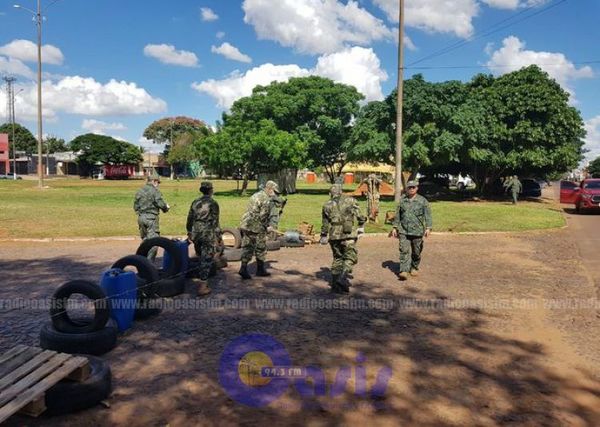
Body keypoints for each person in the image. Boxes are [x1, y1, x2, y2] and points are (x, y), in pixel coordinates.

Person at [320, 184, 367, 293]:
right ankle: (342, 277)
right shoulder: (351, 201)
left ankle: (336, 286)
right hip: (348, 234)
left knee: (337, 258)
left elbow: (325, 223)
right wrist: (361, 224)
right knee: (351, 257)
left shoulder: (326, 205)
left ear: (330, 193)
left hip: (334, 235)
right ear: (341, 192)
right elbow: (360, 216)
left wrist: (323, 235)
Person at [391, 180, 432, 281]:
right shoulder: (402, 200)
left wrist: (428, 228)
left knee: (416, 252)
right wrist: (395, 227)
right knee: (404, 250)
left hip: (417, 231)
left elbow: (428, 215)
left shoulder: (423, 201)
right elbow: (398, 215)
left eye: (413, 187)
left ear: (417, 188)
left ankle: (414, 267)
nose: (411, 189)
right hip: (404, 230)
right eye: (410, 187)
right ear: (406, 189)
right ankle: (404, 270)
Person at [238, 180, 280, 279]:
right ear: (269, 189)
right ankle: (260, 270)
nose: (275, 194)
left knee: (247, 246)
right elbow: (263, 216)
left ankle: (243, 268)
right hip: (256, 226)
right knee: (261, 247)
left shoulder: (256, 195)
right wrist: (267, 227)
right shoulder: (266, 199)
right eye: (274, 191)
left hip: (246, 224)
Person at [186, 181, 220, 296]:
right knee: (207, 258)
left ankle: (200, 276)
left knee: (200, 255)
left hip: (196, 232)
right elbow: (215, 222)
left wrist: (189, 231)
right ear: (211, 190)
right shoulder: (213, 203)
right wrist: (218, 237)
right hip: (207, 232)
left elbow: (190, 218)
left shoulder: (195, 202)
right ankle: (202, 286)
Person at [133, 172, 169, 261]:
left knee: (145, 241)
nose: (158, 184)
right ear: (154, 181)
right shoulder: (155, 191)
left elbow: (135, 206)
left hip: (141, 218)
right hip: (151, 219)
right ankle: (149, 264)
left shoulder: (140, 190)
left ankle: (141, 261)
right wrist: (166, 208)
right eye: (158, 182)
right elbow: (160, 203)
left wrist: (141, 213)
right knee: (154, 242)